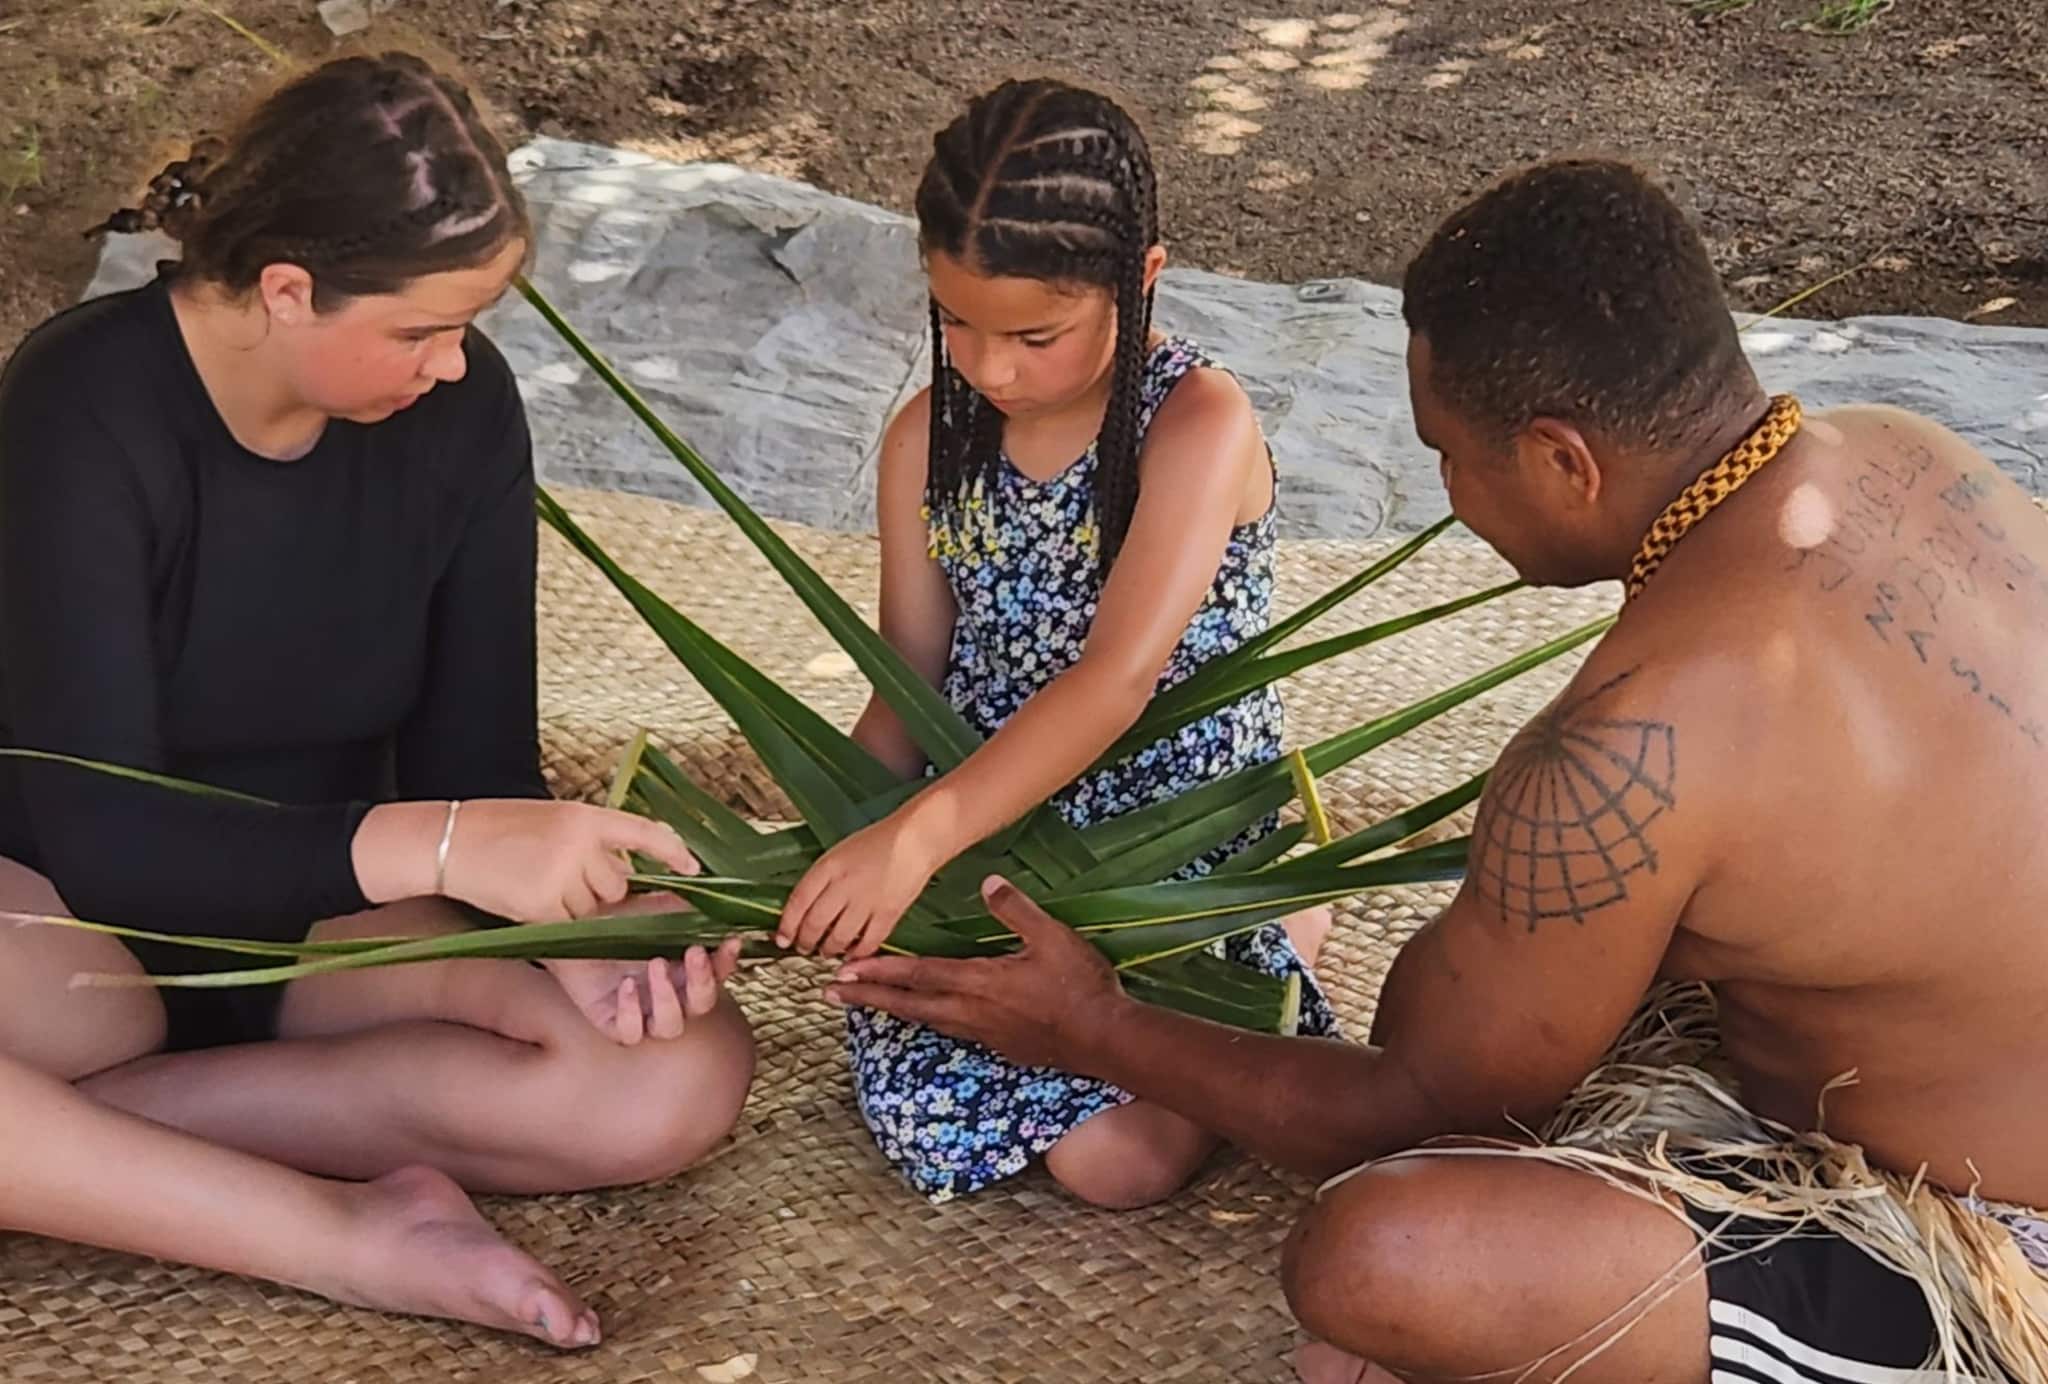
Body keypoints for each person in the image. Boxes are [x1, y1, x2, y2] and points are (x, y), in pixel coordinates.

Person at [826, 158, 2048, 1381]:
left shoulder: (1625, 751)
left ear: (1564, 459)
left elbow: (1416, 1105)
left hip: (1999, 1235)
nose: (1450, 498)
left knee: (1380, 1257)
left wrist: (1092, 1023)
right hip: (1959, 1061)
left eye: (1450, 456)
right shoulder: (1899, 448)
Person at [0, 52, 754, 1342]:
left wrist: (570, 918)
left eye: (468, 326)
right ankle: (344, 1230)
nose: (454, 365)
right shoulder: (81, 402)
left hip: (328, 927)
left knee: (671, 1076)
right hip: (52, 930)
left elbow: (478, 759)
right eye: (421, 328)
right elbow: (101, 838)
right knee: (84, 996)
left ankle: (65, 1156)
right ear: (287, 291)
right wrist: (445, 842)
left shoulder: (461, 420)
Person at [770, 77, 1335, 1209]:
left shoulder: (1196, 423)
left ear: (1142, 280)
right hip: (991, 830)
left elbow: (1115, 680)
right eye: (956, 321)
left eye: (1036, 332)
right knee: (946, 1093)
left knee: (1111, 1164)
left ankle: (1282, 915)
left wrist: (915, 837)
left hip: (1165, 827)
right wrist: (818, 853)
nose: (990, 367)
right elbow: (906, 677)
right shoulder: (924, 435)